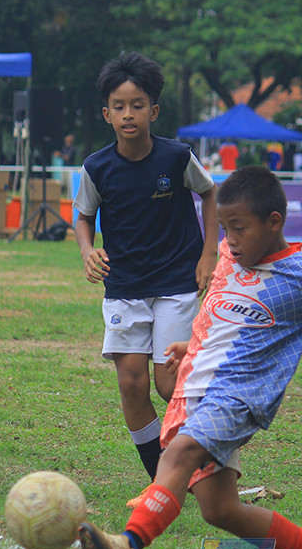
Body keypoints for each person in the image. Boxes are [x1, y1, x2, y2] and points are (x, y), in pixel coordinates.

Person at [76, 166, 302, 549]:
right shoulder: (229, 257)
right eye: (224, 228)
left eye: (240, 228)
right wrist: (191, 344)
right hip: (193, 389)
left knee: (177, 454)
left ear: (274, 222)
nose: (230, 240)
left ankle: (128, 547)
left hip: (238, 396)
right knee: (220, 510)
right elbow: (221, 314)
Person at [73, 52, 219, 502]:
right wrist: (87, 250)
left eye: (137, 105)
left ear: (153, 111)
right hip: (124, 288)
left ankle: (207, 462)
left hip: (176, 284)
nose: (128, 114)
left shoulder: (176, 157)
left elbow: (210, 193)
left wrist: (209, 253)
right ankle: (163, 482)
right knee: (131, 384)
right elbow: (83, 216)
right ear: (106, 114)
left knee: (169, 384)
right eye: (119, 106)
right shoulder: (97, 167)